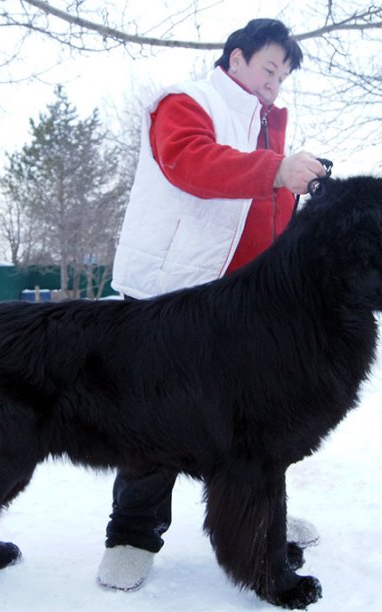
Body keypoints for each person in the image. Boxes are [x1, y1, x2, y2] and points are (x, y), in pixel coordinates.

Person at [98, 18, 327, 592]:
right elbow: (192, 163)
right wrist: (277, 168)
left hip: (245, 302)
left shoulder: (268, 123)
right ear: (236, 58)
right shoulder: (186, 102)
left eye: (284, 74)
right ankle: (132, 533)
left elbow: (268, 214)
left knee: (257, 420)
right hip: (170, 291)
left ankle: (258, 515)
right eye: (269, 68)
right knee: (157, 418)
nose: (276, 82)